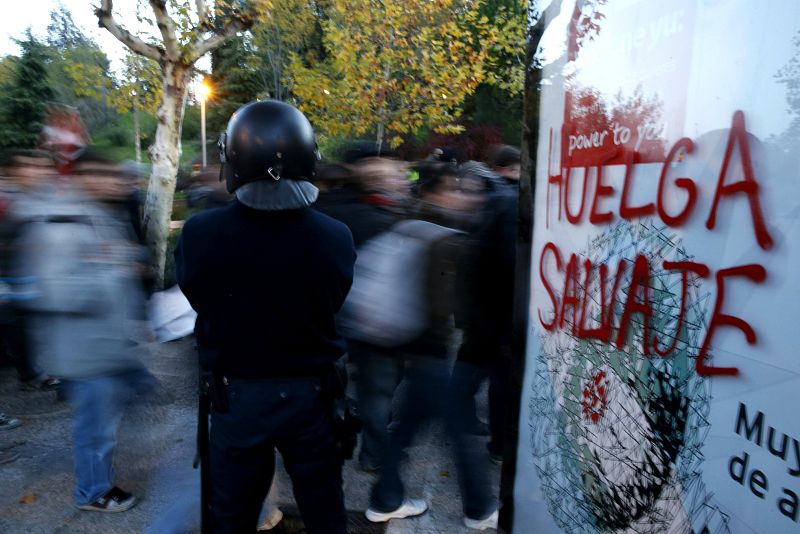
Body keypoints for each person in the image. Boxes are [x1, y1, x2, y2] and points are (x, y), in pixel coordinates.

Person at [175, 100, 356, 534]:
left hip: (238, 398)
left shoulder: (201, 234)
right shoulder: (336, 235)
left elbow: (197, 296)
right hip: (312, 395)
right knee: (325, 511)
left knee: (231, 516)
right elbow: (335, 299)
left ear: (233, 160)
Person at [15, 107, 156, 512]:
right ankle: (92, 492)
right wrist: (111, 271)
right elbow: (55, 289)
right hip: (83, 350)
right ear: (83, 179)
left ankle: (98, 479)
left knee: (120, 408)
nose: (114, 182)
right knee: (94, 429)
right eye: (104, 176)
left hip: (104, 344)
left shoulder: (94, 215)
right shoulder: (62, 223)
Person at [365, 164, 498, 530]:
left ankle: (385, 499)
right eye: (456, 189)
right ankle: (480, 508)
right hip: (431, 354)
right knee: (462, 435)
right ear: (434, 194)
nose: (466, 196)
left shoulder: (409, 226)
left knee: (405, 428)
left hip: (414, 351)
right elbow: (442, 307)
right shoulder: (444, 239)